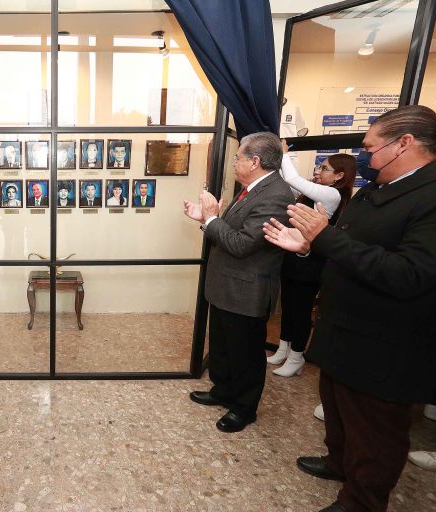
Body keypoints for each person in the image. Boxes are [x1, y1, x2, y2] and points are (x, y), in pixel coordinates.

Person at [262, 105, 436, 512]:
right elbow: (347, 248)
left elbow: (410, 274)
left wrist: (324, 237)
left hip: (385, 344)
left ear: (404, 144)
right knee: (340, 411)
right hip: (344, 329)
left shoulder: (430, 197)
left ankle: (361, 501)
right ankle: (338, 462)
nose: (364, 156)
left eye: (371, 148)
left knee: (375, 432)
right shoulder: (377, 190)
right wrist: (309, 245)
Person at [183, 131, 293, 433]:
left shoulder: (276, 196)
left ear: (255, 161)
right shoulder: (250, 189)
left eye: (238, 157)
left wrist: (211, 218)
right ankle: (223, 391)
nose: (234, 162)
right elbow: (229, 230)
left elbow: (243, 244)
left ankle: (244, 407)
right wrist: (204, 219)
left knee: (244, 352)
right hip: (226, 286)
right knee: (222, 345)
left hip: (246, 290)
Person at [267, 145, 356, 377]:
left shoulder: (333, 194)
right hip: (292, 257)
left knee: (301, 309)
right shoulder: (315, 192)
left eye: (325, 169)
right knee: (287, 305)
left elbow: (292, 177)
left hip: (310, 263)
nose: (318, 171)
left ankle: (296, 356)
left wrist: (283, 151)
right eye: (319, 166)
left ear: (340, 176)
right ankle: (283, 347)